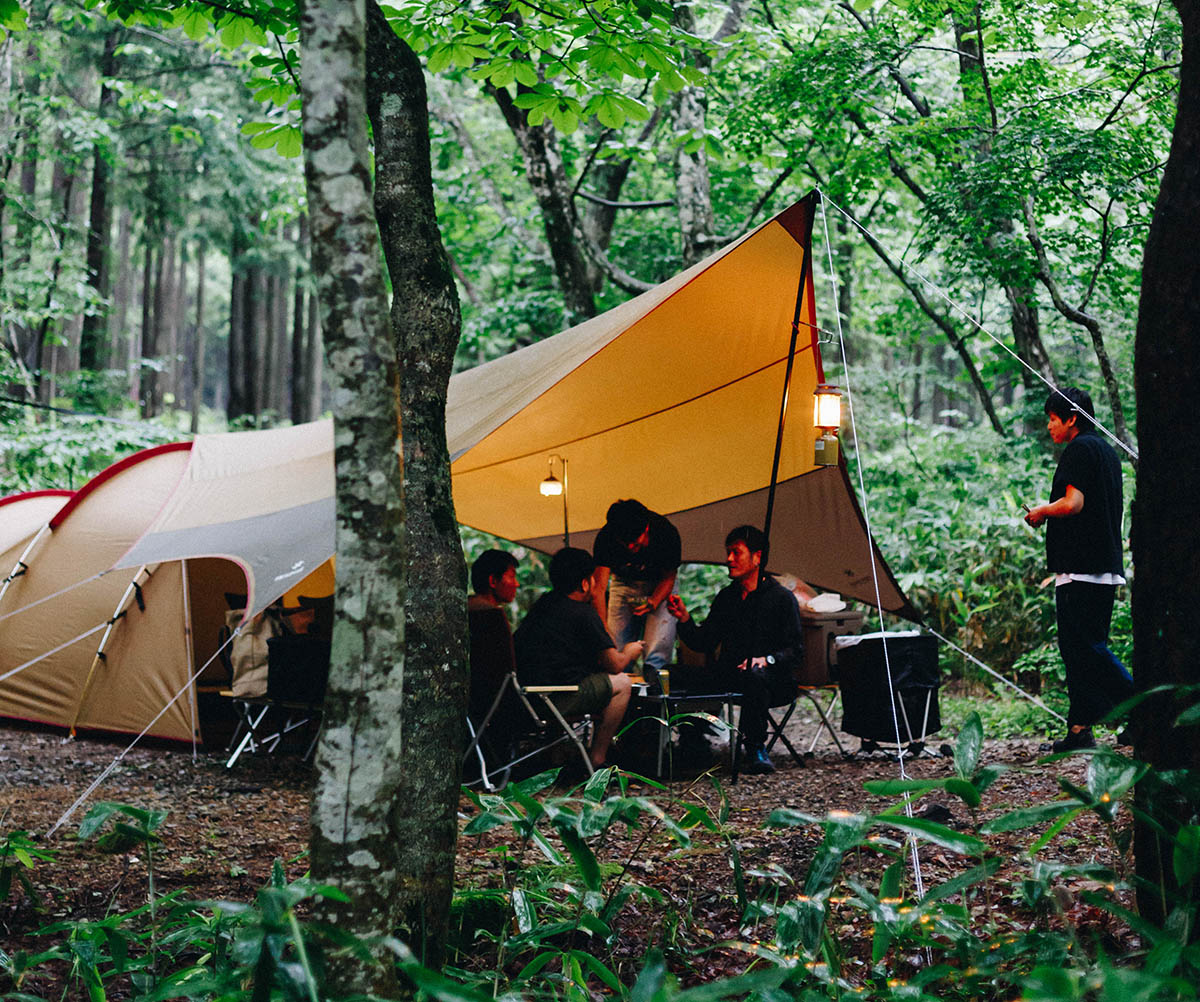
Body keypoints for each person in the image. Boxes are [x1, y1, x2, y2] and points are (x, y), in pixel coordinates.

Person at [1024, 387, 1133, 752]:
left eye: (1054, 420)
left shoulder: (1079, 449)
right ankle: (1079, 730)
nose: (1050, 427)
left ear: (1071, 418)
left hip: (1081, 568)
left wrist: (1041, 510)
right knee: (1082, 651)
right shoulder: (1105, 452)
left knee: (1087, 650)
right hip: (1103, 567)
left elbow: (1073, 504)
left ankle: (1144, 710)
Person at [665, 525, 803, 775]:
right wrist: (684, 619)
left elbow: (795, 651)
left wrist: (766, 660)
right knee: (669, 673)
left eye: (736, 553)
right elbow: (703, 641)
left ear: (757, 557)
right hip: (729, 675)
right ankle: (690, 742)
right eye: (728, 553)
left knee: (754, 674)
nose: (729, 560)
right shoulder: (727, 598)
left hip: (771, 680)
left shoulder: (781, 598)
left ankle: (755, 746)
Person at [514, 547, 643, 769]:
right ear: (585, 583)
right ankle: (598, 758)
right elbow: (615, 664)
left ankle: (557, 755)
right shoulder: (583, 613)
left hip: (526, 697)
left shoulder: (543, 605)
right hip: (555, 699)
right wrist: (631, 650)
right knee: (622, 683)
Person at [592, 499, 682, 686]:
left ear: (646, 529)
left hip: (659, 583)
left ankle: (656, 687)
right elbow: (599, 588)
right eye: (626, 544)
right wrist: (603, 629)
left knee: (657, 647)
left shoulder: (666, 533)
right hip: (623, 582)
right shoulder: (606, 537)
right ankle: (620, 691)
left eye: (635, 542)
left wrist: (653, 602)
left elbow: (668, 577)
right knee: (615, 647)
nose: (631, 548)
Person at [468, 548, 519, 612]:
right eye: (511, 576)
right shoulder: (492, 614)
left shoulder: (464, 606)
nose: (517, 584)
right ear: (493, 581)